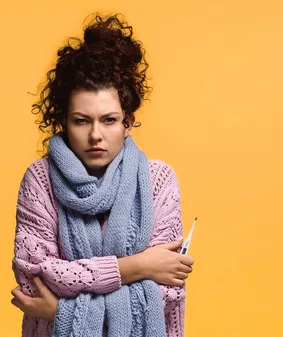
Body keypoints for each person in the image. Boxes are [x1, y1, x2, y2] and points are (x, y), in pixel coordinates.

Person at [10, 13, 194, 337]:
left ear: (128, 120)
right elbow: (35, 276)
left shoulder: (158, 182)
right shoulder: (41, 180)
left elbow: (166, 292)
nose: (96, 134)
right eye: (82, 121)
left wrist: (60, 311)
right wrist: (137, 267)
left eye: (108, 120)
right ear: (64, 122)